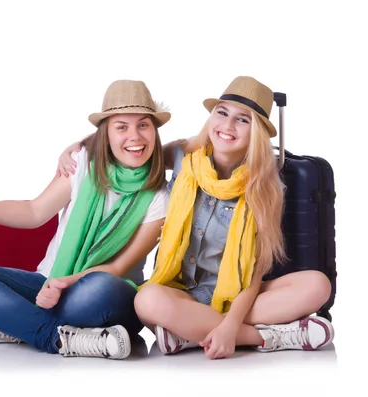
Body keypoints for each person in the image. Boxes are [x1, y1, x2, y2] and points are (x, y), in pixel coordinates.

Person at [56, 76, 335, 360]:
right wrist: (82, 144)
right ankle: (269, 337)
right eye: (222, 113)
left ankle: (188, 333)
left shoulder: (266, 186)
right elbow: (134, 150)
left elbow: (255, 273)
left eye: (243, 120)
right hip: (181, 293)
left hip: (237, 295)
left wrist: (231, 323)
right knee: (147, 300)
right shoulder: (183, 154)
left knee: (317, 285)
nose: (227, 126)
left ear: (258, 133)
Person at [0, 79, 170, 360]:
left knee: (97, 289)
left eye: (143, 125)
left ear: (154, 131)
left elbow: (117, 266)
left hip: (107, 294)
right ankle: (59, 338)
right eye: (121, 126)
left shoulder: (159, 195)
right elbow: (34, 212)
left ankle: (17, 325)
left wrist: (65, 284)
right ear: (106, 133)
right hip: (48, 281)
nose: (135, 136)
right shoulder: (82, 164)